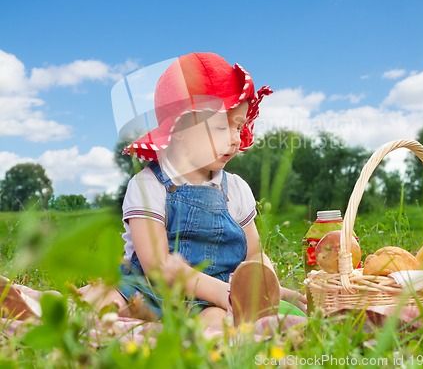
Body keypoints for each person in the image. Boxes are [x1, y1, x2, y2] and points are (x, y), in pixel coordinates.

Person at [2, 52, 306, 333]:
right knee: (106, 304)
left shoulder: (236, 189)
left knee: (215, 326)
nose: (235, 139)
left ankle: (217, 337)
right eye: (219, 128)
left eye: (238, 126)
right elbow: (157, 266)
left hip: (212, 298)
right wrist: (223, 293)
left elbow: (253, 254)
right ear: (178, 130)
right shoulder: (150, 186)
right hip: (147, 289)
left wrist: (269, 288)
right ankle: (39, 310)